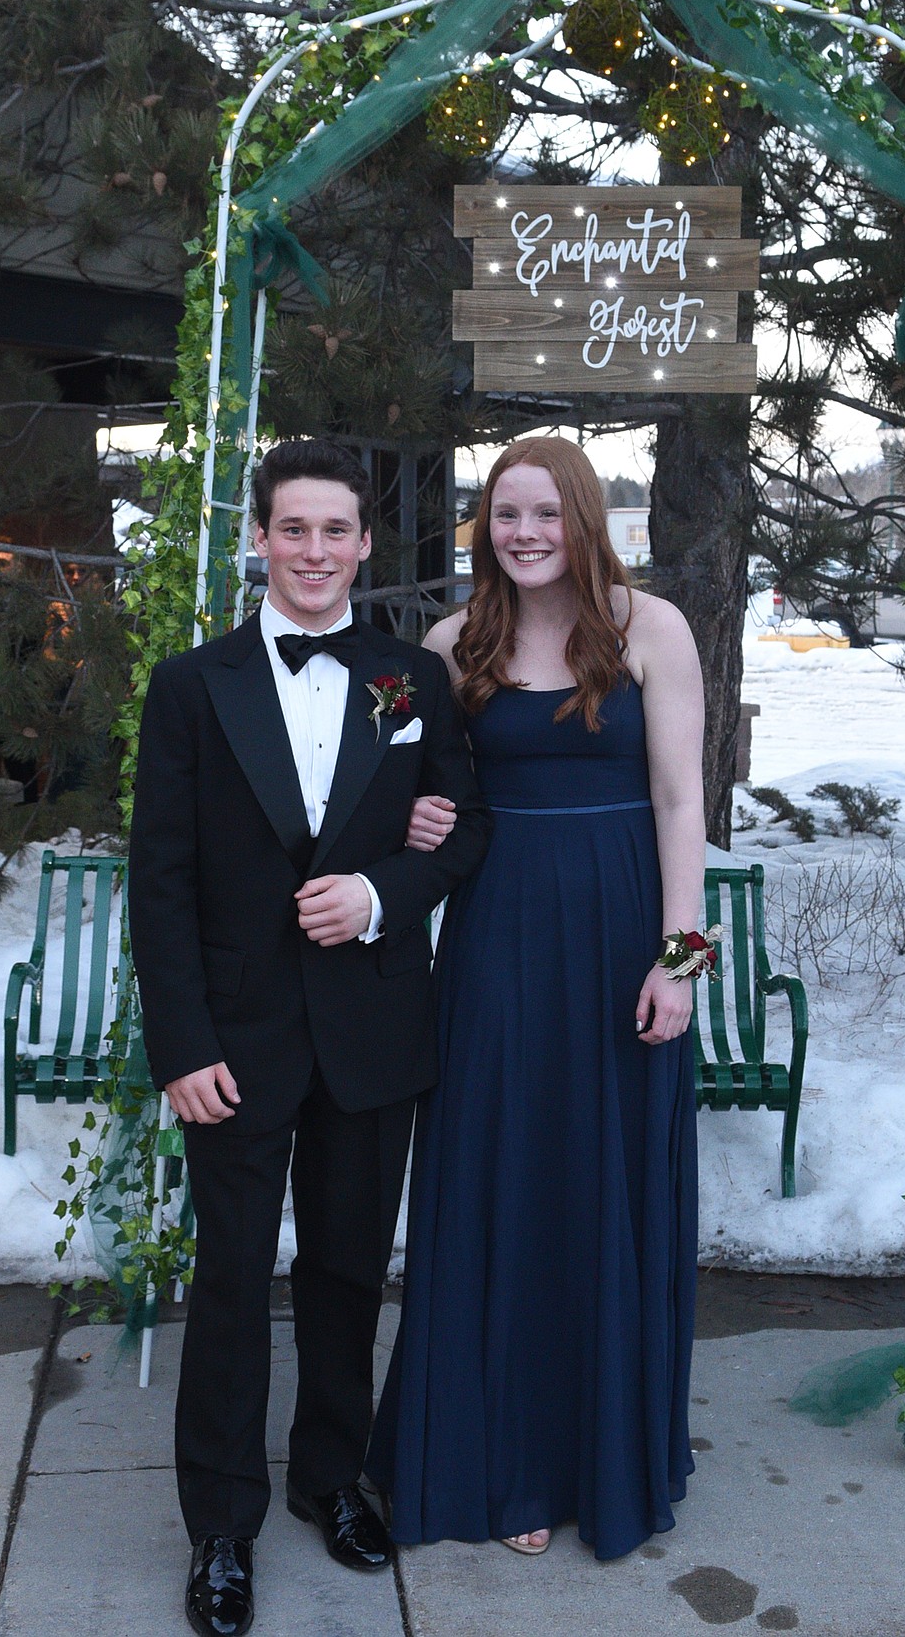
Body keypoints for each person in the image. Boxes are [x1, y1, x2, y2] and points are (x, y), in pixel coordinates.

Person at [128, 438, 492, 1637]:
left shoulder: (407, 680)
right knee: (231, 1282)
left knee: (345, 1271)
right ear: (261, 536)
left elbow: (463, 827)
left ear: (367, 544)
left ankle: (328, 1481)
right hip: (234, 1039)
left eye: (337, 531)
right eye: (295, 530)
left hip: (374, 1030)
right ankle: (222, 1528)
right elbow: (162, 880)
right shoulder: (193, 685)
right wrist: (181, 1046)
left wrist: (387, 891)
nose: (317, 552)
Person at [366, 435, 706, 1561]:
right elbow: (410, 794)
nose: (523, 533)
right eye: (504, 514)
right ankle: (503, 1459)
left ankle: (602, 1456)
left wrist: (682, 958)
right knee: (502, 1184)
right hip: (500, 939)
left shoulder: (650, 627)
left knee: (603, 1189)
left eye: (544, 513)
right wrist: (416, 819)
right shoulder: (451, 642)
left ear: (582, 517)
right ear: (484, 526)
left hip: (622, 941)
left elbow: (678, 801)